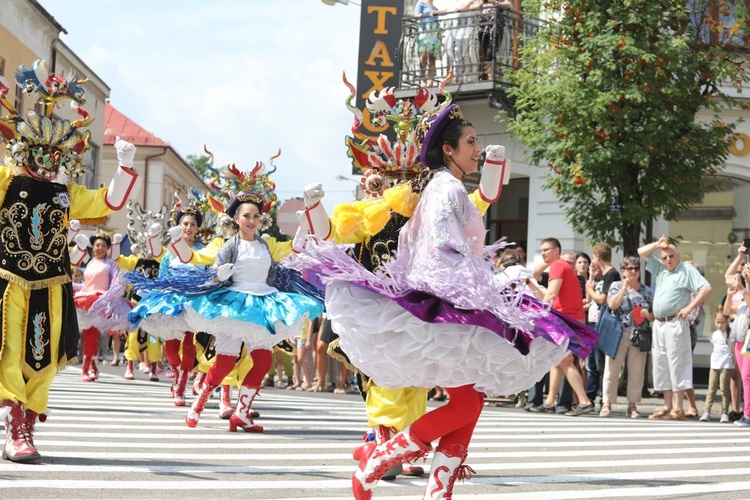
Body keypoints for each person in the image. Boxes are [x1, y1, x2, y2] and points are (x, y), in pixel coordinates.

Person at [291, 102, 597, 499]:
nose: (478, 149)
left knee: (469, 404)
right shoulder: (447, 188)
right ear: (449, 150)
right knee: (467, 404)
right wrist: (476, 294)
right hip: (448, 301)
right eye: (471, 142)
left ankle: (431, 488)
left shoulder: (447, 187)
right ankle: (381, 459)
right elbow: (441, 250)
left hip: (449, 297)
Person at [0, 60, 141, 462]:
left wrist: (125, 167)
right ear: (24, 149)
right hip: (8, 280)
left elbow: (108, 202)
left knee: (40, 356)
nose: (45, 160)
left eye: (53, 153)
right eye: (38, 151)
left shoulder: (65, 192)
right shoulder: (7, 181)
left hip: (52, 286)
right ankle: (13, 422)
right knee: (9, 350)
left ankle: (26, 422)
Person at [174, 190, 324, 432]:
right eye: (246, 216)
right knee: (224, 364)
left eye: (256, 216)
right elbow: (206, 269)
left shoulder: (268, 244)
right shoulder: (227, 247)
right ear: (236, 219)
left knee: (263, 362)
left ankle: (241, 414)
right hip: (234, 307)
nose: (252, 220)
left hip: (263, 304)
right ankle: (198, 405)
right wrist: (217, 276)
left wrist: (306, 217)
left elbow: (295, 248)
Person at [128, 204, 208, 392]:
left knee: (189, 346)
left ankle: (180, 386)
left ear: (197, 228)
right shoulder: (170, 252)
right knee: (171, 350)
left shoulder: (203, 251)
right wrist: (153, 237)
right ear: (178, 226)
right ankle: (178, 375)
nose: (188, 227)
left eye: (192, 224)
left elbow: (207, 273)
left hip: (193, 302)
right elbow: (161, 271)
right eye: (185, 223)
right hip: (172, 303)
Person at [638, 235, 712, 421]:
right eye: (664, 257)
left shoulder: (686, 269)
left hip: (675, 323)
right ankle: (667, 405)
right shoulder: (662, 270)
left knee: (677, 364)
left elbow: (706, 289)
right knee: (661, 364)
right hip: (660, 323)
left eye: (671, 256)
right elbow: (641, 252)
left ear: (677, 256)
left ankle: (678, 408)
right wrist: (658, 245)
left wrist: (688, 308)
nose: (668, 260)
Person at [535, 238, 594, 416]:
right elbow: (533, 273)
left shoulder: (558, 266)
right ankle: (549, 401)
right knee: (557, 359)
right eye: (541, 250)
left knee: (565, 361)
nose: (543, 253)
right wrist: (545, 262)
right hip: (570, 318)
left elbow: (551, 293)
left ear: (557, 250)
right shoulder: (559, 265)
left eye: (546, 250)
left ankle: (584, 401)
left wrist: (538, 315)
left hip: (566, 319)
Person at [73, 233, 132, 383]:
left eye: (103, 246)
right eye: (97, 245)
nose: (100, 248)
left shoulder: (110, 264)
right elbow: (86, 285)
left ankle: (86, 369)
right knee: (88, 336)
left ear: (107, 248)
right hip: (85, 300)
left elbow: (116, 285)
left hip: (100, 302)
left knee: (92, 337)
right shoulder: (91, 263)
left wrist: (109, 299)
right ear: (93, 247)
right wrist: (72, 286)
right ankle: (93, 367)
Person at [600, 256, 653, 418]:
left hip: (638, 334)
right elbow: (612, 305)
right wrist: (624, 288)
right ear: (623, 270)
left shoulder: (646, 290)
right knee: (612, 370)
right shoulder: (616, 286)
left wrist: (648, 315)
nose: (633, 272)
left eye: (636, 268)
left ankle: (632, 405)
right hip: (619, 332)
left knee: (637, 372)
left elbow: (653, 316)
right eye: (630, 268)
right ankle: (607, 403)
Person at [700, 311, 734, 422]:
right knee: (711, 389)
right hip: (714, 365)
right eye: (717, 322)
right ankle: (706, 411)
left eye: (722, 322)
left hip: (726, 365)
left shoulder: (731, 334)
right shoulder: (714, 334)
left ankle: (724, 412)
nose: (720, 325)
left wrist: (734, 365)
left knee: (724, 389)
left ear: (727, 321)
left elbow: (733, 350)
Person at [477, 0, 511, 80]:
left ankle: (491, 77)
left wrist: (495, 2)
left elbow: (509, 5)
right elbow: (473, 5)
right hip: (483, 28)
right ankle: (492, 76)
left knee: (490, 52)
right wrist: (479, 4)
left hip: (496, 27)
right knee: (487, 53)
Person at [414, 0, 441, 87]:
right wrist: (420, 15)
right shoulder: (421, 2)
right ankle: (423, 78)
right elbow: (416, 16)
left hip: (434, 31)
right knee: (423, 55)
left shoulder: (435, 5)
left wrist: (437, 12)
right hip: (425, 30)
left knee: (432, 57)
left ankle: (431, 79)